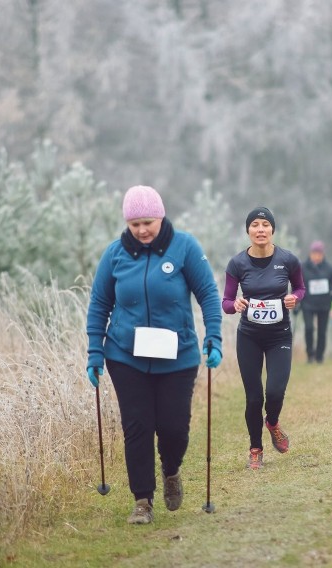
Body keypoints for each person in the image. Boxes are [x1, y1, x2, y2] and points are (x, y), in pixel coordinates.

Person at [86, 185, 223, 525]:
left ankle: (171, 469)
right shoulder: (114, 254)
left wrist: (214, 337)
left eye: (148, 222)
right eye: (135, 225)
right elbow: (99, 305)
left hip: (178, 356)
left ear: (160, 217)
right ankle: (142, 501)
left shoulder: (185, 248)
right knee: (138, 426)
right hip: (125, 355)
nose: (142, 230)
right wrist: (95, 351)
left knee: (174, 427)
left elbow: (207, 294)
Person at [222, 206, 305, 470]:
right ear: (248, 231)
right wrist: (234, 305)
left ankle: (272, 423)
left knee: (275, 391)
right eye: (255, 225)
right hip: (249, 336)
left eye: (265, 225)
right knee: (254, 397)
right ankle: (255, 449)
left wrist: (295, 298)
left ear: (272, 230)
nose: (260, 230)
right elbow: (225, 301)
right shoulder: (237, 263)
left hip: (279, 334)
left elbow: (301, 288)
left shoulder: (288, 260)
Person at [300, 240, 332, 364]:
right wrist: (296, 301)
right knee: (309, 328)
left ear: (323, 254)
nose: (316, 256)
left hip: (324, 305)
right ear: (310, 253)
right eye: (314, 253)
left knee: (322, 331)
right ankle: (310, 354)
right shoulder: (302, 268)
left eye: (319, 253)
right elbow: (296, 284)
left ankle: (319, 356)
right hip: (307, 304)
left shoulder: (330, 269)